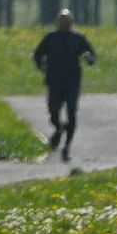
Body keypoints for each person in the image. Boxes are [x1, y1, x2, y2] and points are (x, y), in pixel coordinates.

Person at [33, 10, 95, 160]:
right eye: (62, 21)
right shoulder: (50, 38)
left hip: (72, 81)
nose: (65, 24)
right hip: (54, 80)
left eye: (67, 22)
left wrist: (88, 57)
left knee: (72, 112)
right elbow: (38, 54)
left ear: (72, 22)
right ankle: (59, 128)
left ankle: (66, 147)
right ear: (57, 22)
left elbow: (92, 56)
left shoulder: (78, 38)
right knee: (53, 112)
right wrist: (42, 67)